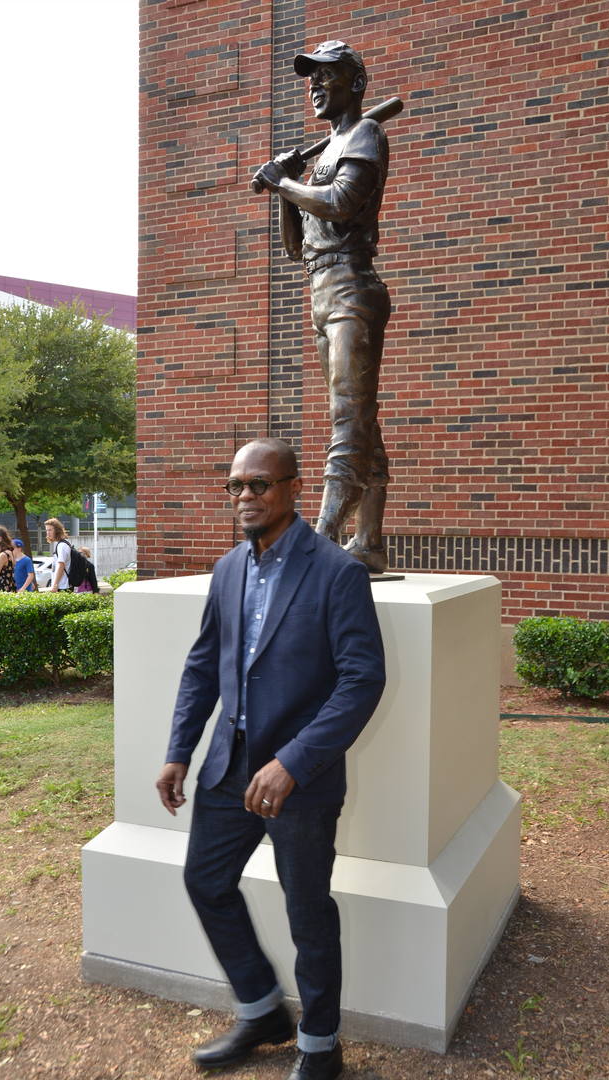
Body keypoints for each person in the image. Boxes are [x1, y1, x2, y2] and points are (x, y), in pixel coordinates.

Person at [156, 437, 385, 1080]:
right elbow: (204, 666)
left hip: (298, 782)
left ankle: (320, 1045)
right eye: (235, 486)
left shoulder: (337, 571)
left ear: (293, 488)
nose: (245, 497)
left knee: (307, 911)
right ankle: (262, 1011)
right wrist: (179, 750)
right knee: (206, 882)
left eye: (259, 484)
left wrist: (294, 759)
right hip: (228, 771)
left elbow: (362, 680)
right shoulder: (229, 569)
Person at [253, 40, 392, 574]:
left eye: (327, 76)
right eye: (311, 77)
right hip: (322, 288)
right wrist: (285, 185)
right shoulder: (319, 159)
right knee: (363, 423)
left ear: (355, 84)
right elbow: (297, 246)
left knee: (346, 415)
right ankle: (370, 541)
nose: (315, 85)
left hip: (353, 287)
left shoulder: (365, 134)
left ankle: (325, 535)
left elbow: (341, 203)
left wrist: (286, 183)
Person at [42, 517, 73, 592]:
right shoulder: (62, 544)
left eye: (50, 530)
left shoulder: (61, 545)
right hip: (63, 585)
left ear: (57, 530)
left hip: (63, 585)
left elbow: (61, 565)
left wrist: (55, 585)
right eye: (47, 530)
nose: (48, 533)